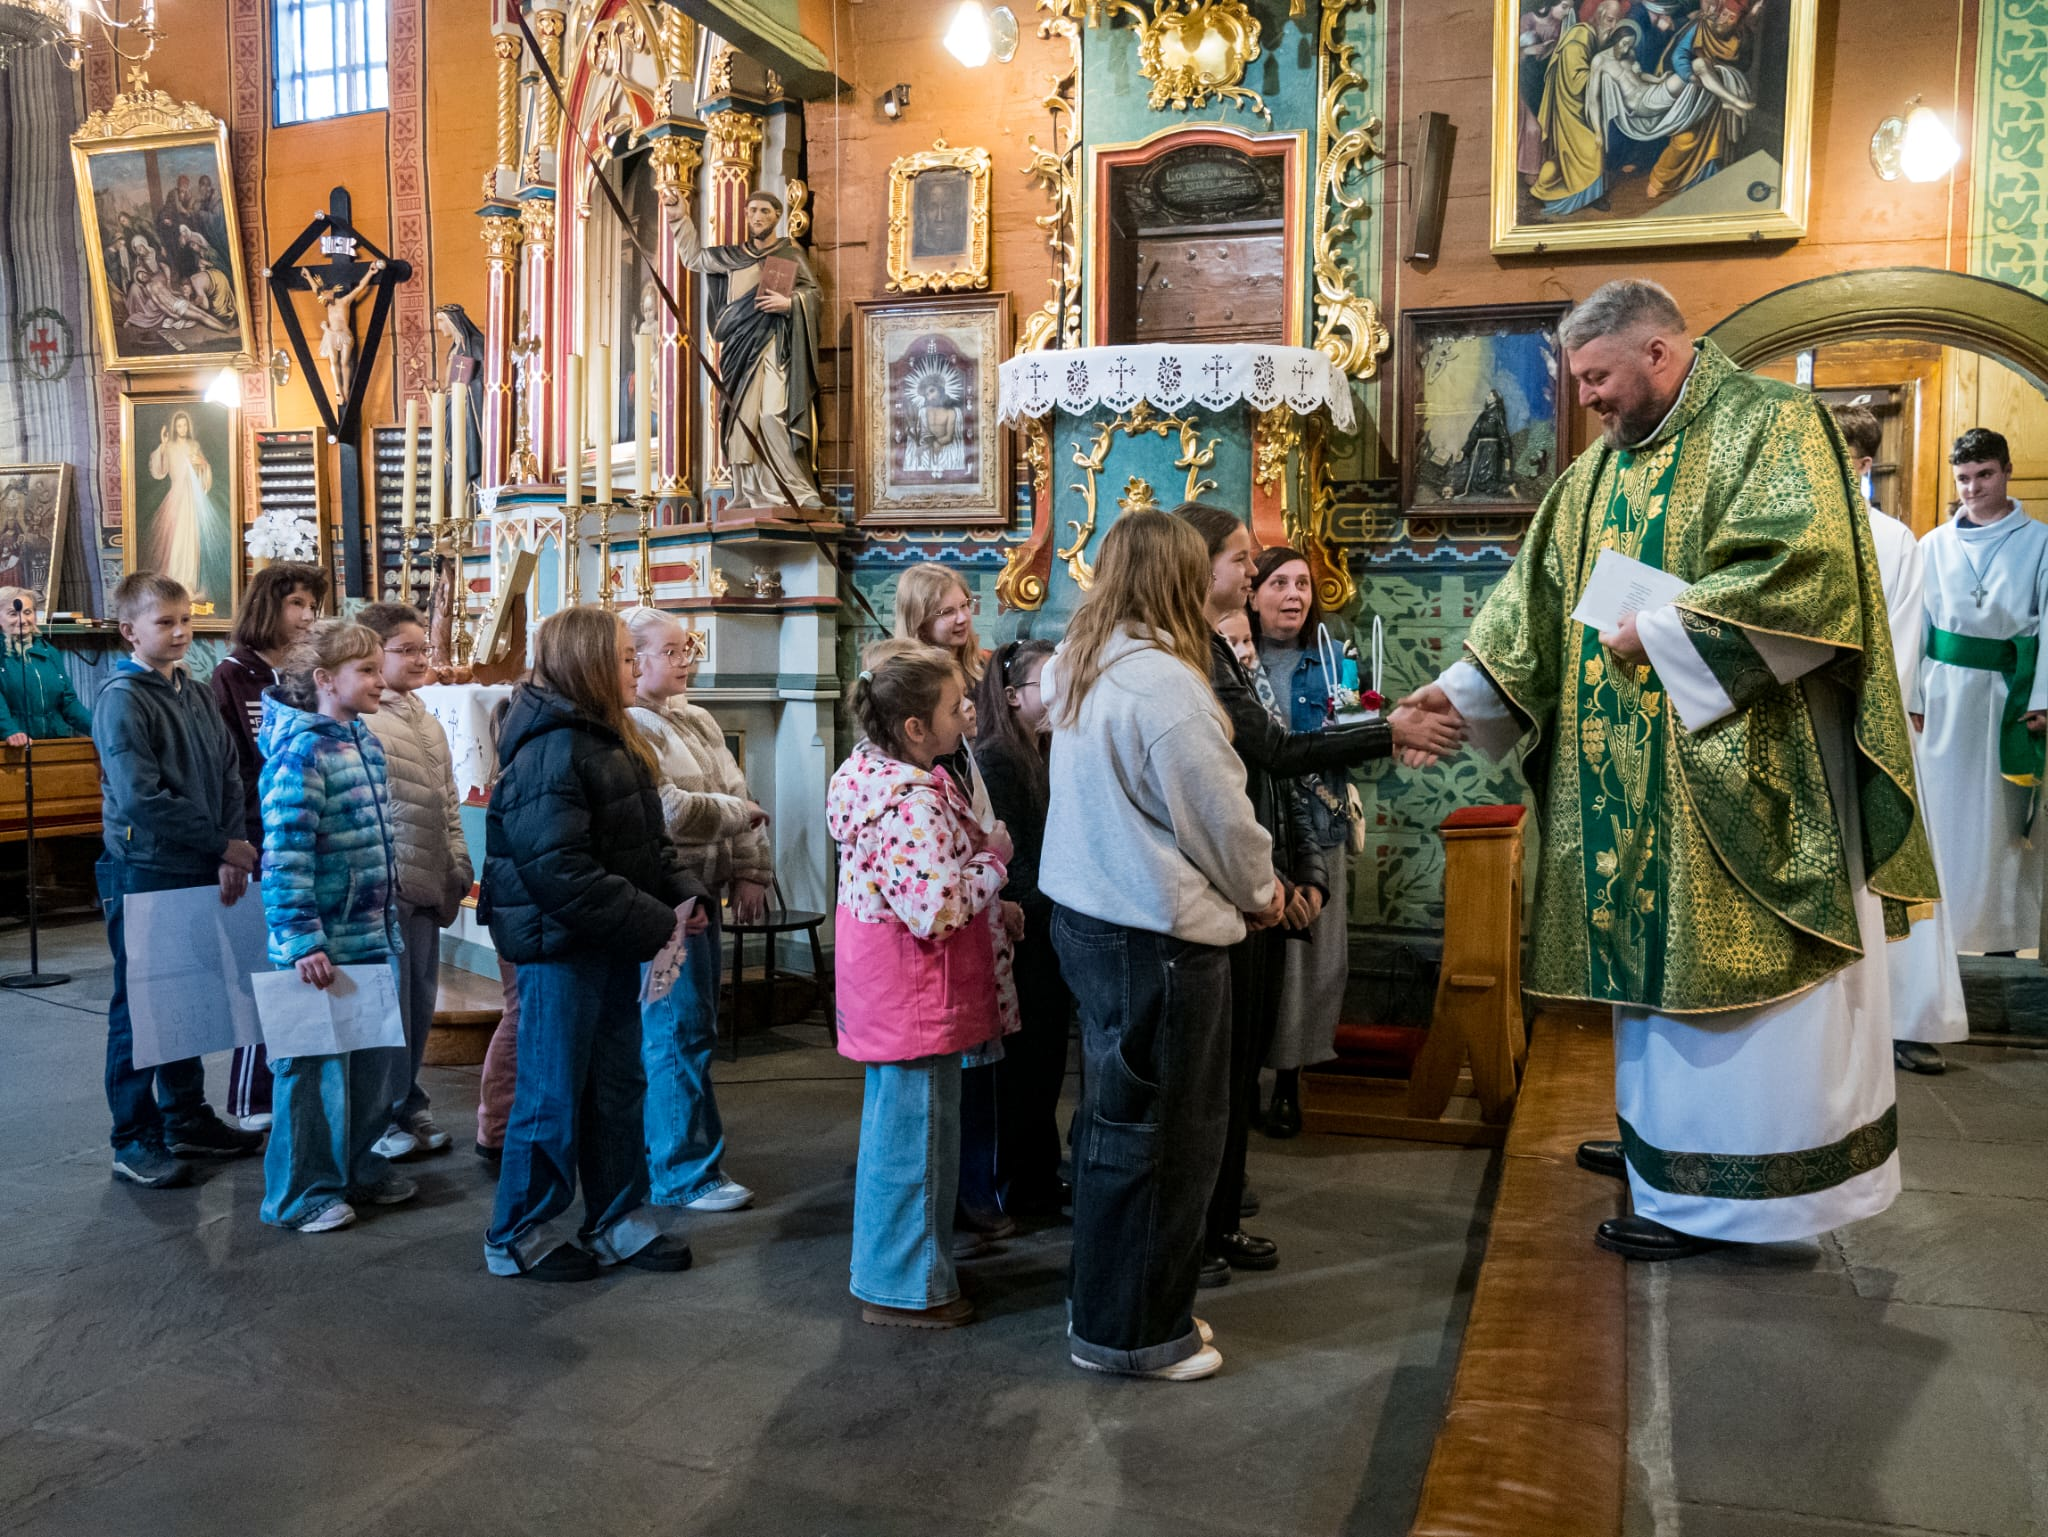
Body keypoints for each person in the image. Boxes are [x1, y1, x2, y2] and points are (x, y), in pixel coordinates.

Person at [1402, 279, 1938, 1261]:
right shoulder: (1596, 474)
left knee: (1752, 1006)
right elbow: (1530, 605)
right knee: (1650, 1001)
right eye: (1578, 384)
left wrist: (1661, 631)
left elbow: (1805, 571)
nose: (1588, 400)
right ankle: (1667, 1157)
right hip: (1629, 791)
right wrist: (1458, 693)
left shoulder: (1771, 426)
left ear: (1658, 350)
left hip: (1748, 775)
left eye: (1598, 378)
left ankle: (1742, 1204)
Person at [1174, 501, 1461, 1285]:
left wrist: (1300, 870)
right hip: (1220, 892)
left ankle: (1222, 1221)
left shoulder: (1225, 652)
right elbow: (1273, 750)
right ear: (1203, 568)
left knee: (1236, 1076)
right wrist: (1388, 731)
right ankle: (1196, 1234)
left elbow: (1280, 768)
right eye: (1243, 559)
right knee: (1213, 1083)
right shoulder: (1192, 654)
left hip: (1265, 875)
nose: (1256, 572)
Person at [1040, 510, 1278, 1380]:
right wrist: (1262, 892)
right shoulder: (1168, 687)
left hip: (1093, 921)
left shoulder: (1081, 660)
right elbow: (1220, 817)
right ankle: (1137, 1334)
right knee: (1169, 1140)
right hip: (1156, 937)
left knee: (1115, 1125)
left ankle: (1105, 1300)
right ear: (1179, 581)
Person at [479, 606, 707, 1282]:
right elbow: (558, 868)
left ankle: (616, 1216)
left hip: (606, 936)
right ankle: (518, 1231)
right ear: (587, 665)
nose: (636, 666)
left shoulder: (608, 736)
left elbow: (647, 839)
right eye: (623, 656)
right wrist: (650, 920)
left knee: (617, 1083)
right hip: (561, 946)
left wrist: (682, 891)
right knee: (551, 1093)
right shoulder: (551, 746)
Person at [828, 639, 1010, 1328]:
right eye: (953, 705)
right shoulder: (909, 804)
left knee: (900, 1137)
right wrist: (995, 861)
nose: (966, 714)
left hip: (896, 990)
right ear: (913, 728)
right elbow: (935, 910)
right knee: (920, 1147)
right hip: (917, 993)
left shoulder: (872, 776)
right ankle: (907, 1289)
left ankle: (893, 1274)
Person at [91, 572, 264, 1188]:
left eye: (186, 619)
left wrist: (226, 850)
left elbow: (225, 771)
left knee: (187, 999)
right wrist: (221, 841)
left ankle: (185, 1116)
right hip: (145, 867)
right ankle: (133, 1137)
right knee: (142, 1005)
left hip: (196, 863)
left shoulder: (192, 691)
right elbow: (140, 797)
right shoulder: (122, 697)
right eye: (164, 622)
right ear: (128, 631)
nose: (181, 632)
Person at [256, 620, 417, 1233]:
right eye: (368, 671)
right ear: (326, 680)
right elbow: (287, 855)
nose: (382, 681)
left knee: (372, 1070)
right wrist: (300, 939)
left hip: (371, 934)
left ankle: (354, 1166)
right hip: (322, 945)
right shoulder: (301, 753)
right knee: (314, 1076)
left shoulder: (362, 740)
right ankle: (300, 1194)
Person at [624, 606, 773, 1215]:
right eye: (670, 651)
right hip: (668, 900)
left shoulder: (700, 719)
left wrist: (749, 869)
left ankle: (687, 1155)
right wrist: (741, 816)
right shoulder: (631, 725)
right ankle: (681, 1171)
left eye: (689, 650)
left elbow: (735, 790)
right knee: (674, 1033)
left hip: (706, 894)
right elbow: (671, 810)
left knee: (696, 1029)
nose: (685, 661)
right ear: (633, 661)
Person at [1833, 406, 1967, 1073]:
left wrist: (1872, 711)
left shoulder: (1895, 539)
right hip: (1816, 723)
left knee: (1895, 872)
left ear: (1863, 464)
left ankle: (1910, 1017)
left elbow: (1903, 638)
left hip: (1872, 721)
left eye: (1841, 451)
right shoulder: (1798, 528)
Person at [891, 564, 1010, 1240]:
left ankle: (977, 1186)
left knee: (982, 1065)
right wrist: (992, 861)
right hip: (942, 926)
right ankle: (956, 1197)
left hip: (978, 902)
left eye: (967, 606)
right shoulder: (908, 776)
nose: (962, 618)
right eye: (946, 610)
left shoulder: (971, 701)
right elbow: (932, 892)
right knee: (946, 1076)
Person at [1912, 426, 2048, 958]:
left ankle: (2001, 936)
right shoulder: (1932, 544)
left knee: (2003, 821)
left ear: (2007, 471)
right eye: (1964, 478)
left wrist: (2041, 695)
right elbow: (1917, 623)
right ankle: (1940, 936)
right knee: (1945, 815)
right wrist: (1913, 696)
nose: (1973, 488)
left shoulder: (2039, 541)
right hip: (1943, 694)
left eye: (1984, 474)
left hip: (2008, 696)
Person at [211, 560, 330, 1137]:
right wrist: (236, 842)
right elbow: (231, 765)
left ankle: (296, 1086)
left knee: (302, 971)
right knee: (264, 970)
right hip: (261, 836)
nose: (308, 617)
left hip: (307, 835)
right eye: (297, 605)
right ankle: (251, 1093)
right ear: (268, 607)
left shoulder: (312, 672)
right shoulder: (235, 675)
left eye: (314, 606)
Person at [1247, 548, 1357, 1136]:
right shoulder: (1232, 657)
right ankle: (1244, 1084)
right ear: (1252, 590)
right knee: (1257, 959)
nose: (1294, 595)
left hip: (1318, 822)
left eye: (1303, 584)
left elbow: (1354, 736)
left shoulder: (1334, 659)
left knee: (1311, 962)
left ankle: (1290, 1084)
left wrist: (1367, 719)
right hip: (1252, 827)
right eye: (1280, 583)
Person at [358, 603, 472, 1153]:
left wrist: (457, 862)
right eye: (407, 650)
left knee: (420, 1000)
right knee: (389, 1005)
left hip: (431, 876)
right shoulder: (365, 716)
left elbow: (446, 798)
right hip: (392, 884)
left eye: (424, 648)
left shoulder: (423, 716)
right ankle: (380, 1119)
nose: (422, 658)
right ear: (372, 652)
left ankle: (408, 1104)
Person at [972, 638, 1073, 1216]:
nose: (1059, 694)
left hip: (1048, 918)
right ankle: (1020, 1181)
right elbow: (1012, 860)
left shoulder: (1046, 749)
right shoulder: (999, 757)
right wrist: (1058, 902)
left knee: (1047, 1059)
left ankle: (1038, 1170)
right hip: (1027, 925)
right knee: (1027, 1064)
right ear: (1011, 697)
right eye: (1047, 684)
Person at [673, 191, 826, 511]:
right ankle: (747, 493)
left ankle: (795, 490)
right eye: (752, 211)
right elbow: (694, 259)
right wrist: (679, 217)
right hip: (738, 353)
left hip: (773, 344)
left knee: (772, 415)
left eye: (765, 212)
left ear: (776, 217)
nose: (757, 217)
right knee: (741, 422)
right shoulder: (733, 256)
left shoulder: (788, 255)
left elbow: (814, 294)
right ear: (746, 216)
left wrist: (790, 303)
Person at [147, 410, 235, 609]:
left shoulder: (194, 446)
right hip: (176, 496)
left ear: (188, 426)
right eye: (178, 425)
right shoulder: (168, 446)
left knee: (192, 541)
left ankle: (189, 583)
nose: (182, 428)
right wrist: (162, 445)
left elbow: (203, 469)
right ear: (174, 428)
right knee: (176, 540)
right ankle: (175, 581)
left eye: (184, 425)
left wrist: (202, 465)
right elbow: (159, 471)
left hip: (192, 497)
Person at [0, 587, 92, 745]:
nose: (22, 620)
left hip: (53, 744)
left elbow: (68, 702)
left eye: (28, 612)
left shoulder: (49, 652)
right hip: (13, 747)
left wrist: (97, 728)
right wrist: (10, 731)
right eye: (13, 614)